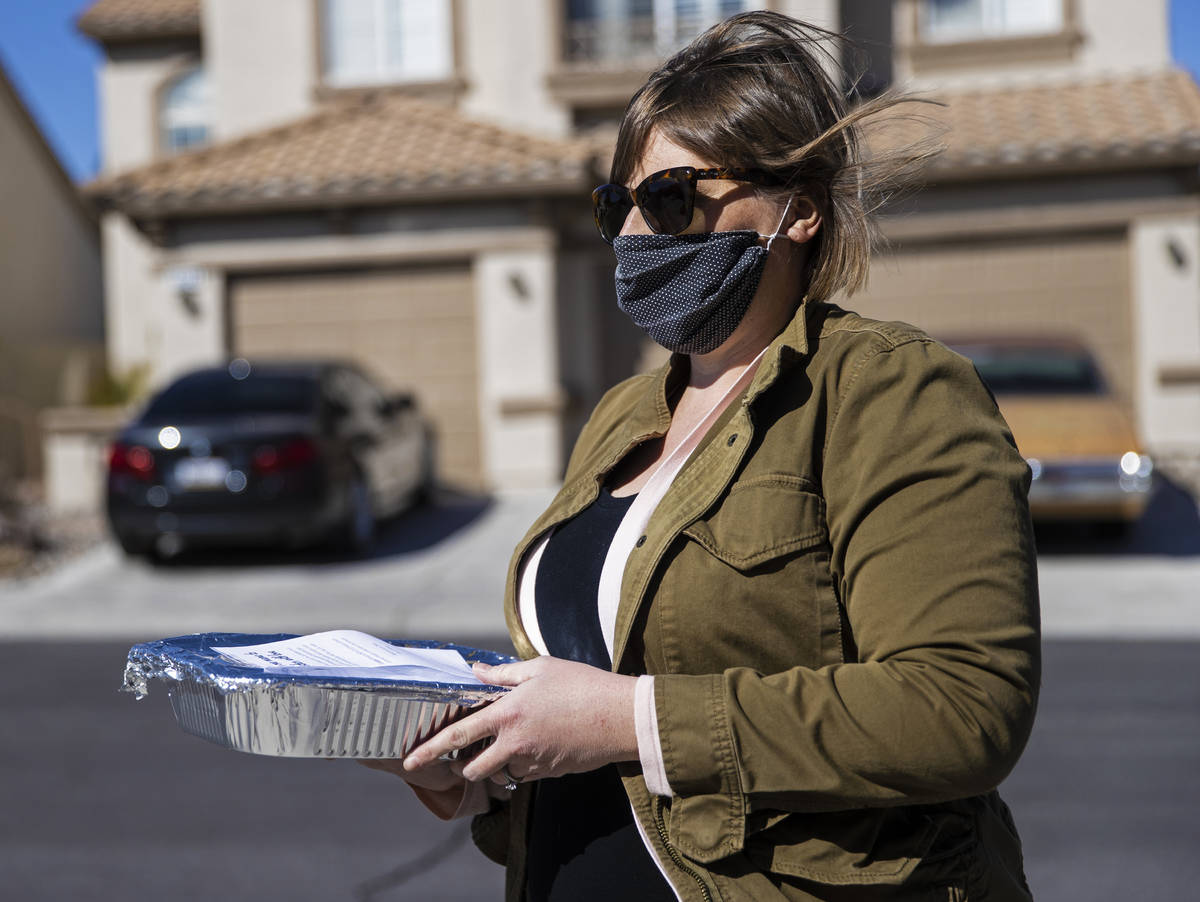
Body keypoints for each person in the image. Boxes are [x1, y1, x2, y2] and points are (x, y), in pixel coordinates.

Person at [363, 11, 1040, 901]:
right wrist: (483, 769)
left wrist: (629, 720)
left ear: (796, 210)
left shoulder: (889, 391)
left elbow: (961, 708)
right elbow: (591, 717)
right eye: (619, 205)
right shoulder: (622, 416)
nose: (637, 235)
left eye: (673, 198)